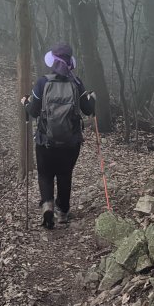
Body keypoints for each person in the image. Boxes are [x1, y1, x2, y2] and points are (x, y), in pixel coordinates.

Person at [21, 42, 96, 229]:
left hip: (46, 141)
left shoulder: (42, 83)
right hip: (71, 142)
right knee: (64, 174)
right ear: (70, 62)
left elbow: (34, 111)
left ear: (53, 62)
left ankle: (47, 205)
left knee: (45, 174)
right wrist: (92, 98)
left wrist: (25, 103)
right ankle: (62, 212)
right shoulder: (77, 83)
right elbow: (88, 110)